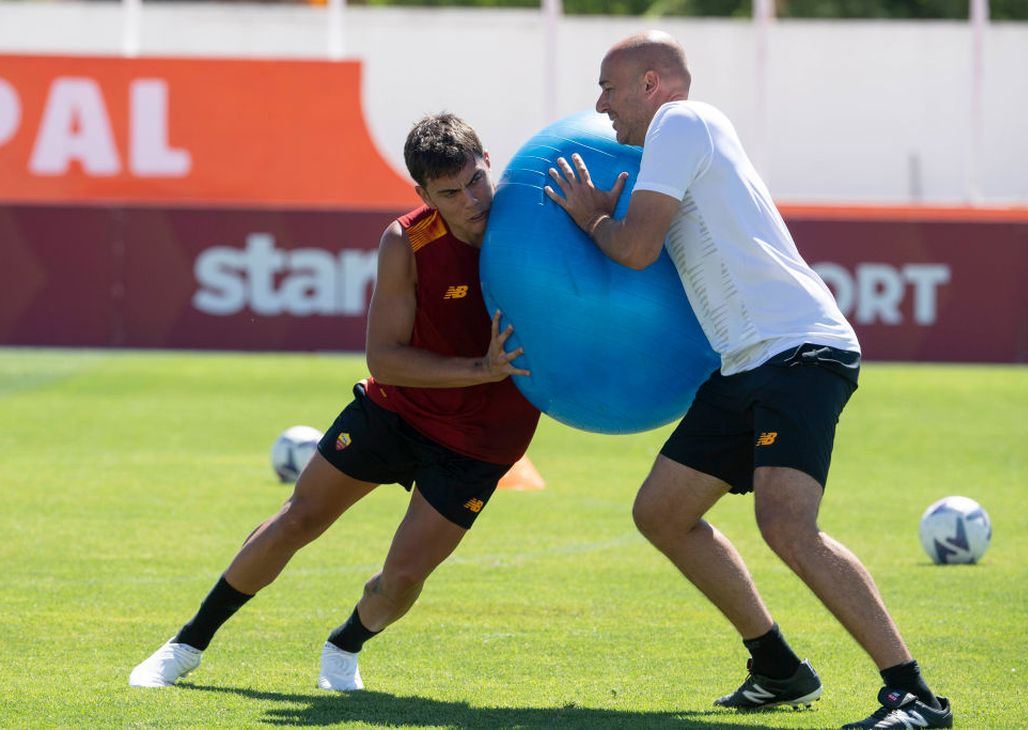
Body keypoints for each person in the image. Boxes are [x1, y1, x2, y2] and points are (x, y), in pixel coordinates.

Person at [544, 31, 952, 730]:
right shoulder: (676, 139)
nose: (599, 104)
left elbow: (636, 248)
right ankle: (777, 668)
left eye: (609, 87)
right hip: (745, 364)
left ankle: (913, 694)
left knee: (787, 525)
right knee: (661, 513)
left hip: (798, 350)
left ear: (651, 84)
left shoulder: (681, 120)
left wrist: (593, 219)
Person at [129, 113, 540, 691]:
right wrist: (484, 369)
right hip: (397, 412)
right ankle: (186, 645)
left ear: (488, 162)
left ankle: (343, 647)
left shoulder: (532, 225)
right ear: (423, 195)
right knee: (298, 518)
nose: (472, 200)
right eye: (450, 192)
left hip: (483, 441)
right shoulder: (408, 240)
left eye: (475, 180)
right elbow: (385, 360)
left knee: (401, 579)